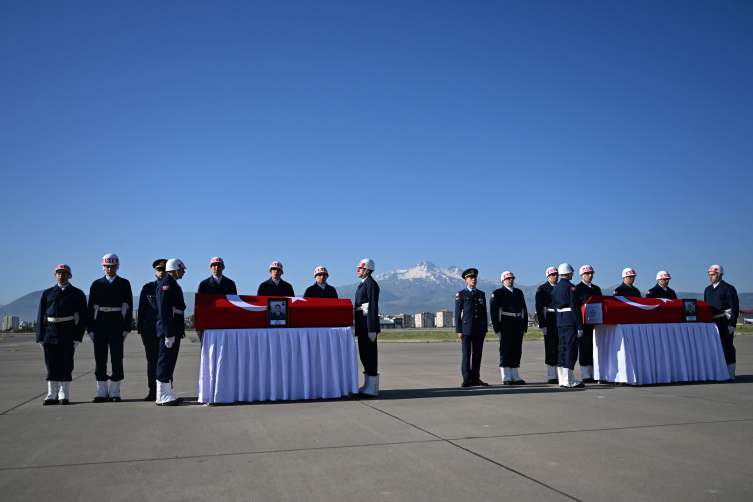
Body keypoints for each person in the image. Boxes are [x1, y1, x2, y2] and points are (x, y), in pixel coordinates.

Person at [36, 264, 88, 405]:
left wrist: (78, 337)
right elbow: (41, 316)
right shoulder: (47, 293)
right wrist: (39, 337)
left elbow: (83, 317)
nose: (61, 275)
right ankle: (52, 393)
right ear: (55, 275)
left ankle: (63, 393)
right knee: (51, 364)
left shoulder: (77, 293)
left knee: (66, 363)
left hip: (67, 332)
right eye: (58, 273)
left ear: (69, 275)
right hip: (50, 333)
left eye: (64, 273)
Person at [87, 254, 133, 403]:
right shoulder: (96, 284)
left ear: (117, 267)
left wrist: (127, 328)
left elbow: (129, 306)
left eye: (112, 266)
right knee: (100, 358)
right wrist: (91, 329)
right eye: (107, 266)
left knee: (117, 358)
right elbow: (90, 308)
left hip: (116, 324)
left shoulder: (124, 283)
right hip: (99, 324)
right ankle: (101, 391)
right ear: (103, 267)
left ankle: (114, 391)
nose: (109, 269)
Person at [155, 258, 187, 405]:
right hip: (169, 330)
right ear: (174, 269)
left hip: (174, 329)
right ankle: (162, 396)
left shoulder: (170, 283)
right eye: (181, 269)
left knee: (170, 361)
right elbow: (165, 311)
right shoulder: (166, 284)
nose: (183, 271)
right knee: (165, 361)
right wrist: (168, 333)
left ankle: (168, 392)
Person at [136, 259, 167, 401]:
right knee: (152, 362)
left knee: (165, 361)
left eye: (164, 269)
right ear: (155, 272)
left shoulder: (171, 286)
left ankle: (166, 389)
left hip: (166, 330)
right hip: (150, 330)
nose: (161, 272)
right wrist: (140, 330)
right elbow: (141, 310)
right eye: (159, 269)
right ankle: (153, 391)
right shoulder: (148, 287)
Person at [490, 271, 528, 385]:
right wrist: (497, 329)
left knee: (517, 349)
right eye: (508, 279)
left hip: (517, 323)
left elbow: (524, 310)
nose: (510, 280)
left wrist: (524, 327)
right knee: (505, 350)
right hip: (505, 323)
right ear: (503, 280)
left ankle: (515, 375)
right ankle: (506, 376)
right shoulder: (498, 293)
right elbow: (494, 312)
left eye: (512, 278)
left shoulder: (518, 292)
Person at [551, 263, 585, 388]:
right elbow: (575, 307)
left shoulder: (555, 288)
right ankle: (569, 380)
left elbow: (554, 306)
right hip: (570, 321)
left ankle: (562, 379)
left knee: (562, 349)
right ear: (568, 272)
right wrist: (580, 326)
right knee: (571, 349)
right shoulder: (571, 287)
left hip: (560, 321)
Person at [454, 268, 488, 387]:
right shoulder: (461, 294)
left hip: (479, 329)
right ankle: (466, 379)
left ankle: (475, 378)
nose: (473, 280)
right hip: (466, 329)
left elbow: (484, 313)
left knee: (477, 355)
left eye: (475, 278)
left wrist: (485, 329)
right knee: (466, 354)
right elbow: (458, 313)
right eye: (471, 278)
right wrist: (458, 330)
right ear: (466, 281)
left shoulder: (481, 294)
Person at [704, 265, 739, 381]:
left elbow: (734, 307)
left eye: (713, 275)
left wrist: (732, 324)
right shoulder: (707, 289)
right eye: (709, 275)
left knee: (727, 346)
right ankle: (717, 373)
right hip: (711, 323)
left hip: (724, 321)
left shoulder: (728, 288)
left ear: (720, 275)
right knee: (713, 347)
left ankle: (730, 374)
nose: (710, 277)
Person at [196, 257, 238, 344]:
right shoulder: (204, 284)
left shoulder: (230, 284)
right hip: (209, 323)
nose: (216, 267)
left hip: (226, 323)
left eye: (219, 265)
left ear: (223, 267)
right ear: (210, 267)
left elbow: (235, 305)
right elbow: (199, 306)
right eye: (214, 265)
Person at [354, 258, 380, 396]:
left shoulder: (370, 284)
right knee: (364, 355)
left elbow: (373, 307)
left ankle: (373, 388)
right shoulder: (363, 284)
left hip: (367, 327)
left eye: (360, 268)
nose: (357, 270)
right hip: (362, 326)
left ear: (367, 270)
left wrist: (372, 328)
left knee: (370, 356)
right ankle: (367, 385)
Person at [575, 265, 602, 383]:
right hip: (584, 324)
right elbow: (576, 308)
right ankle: (585, 373)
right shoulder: (577, 289)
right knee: (585, 348)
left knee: (595, 348)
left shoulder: (597, 289)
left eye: (591, 273)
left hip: (596, 323)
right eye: (587, 273)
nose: (590, 275)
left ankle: (594, 372)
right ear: (582, 275)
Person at [535, 267, 560, 384]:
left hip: (561, 320)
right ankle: (551, 374)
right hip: (549, 321)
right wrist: (542, 324)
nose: (555, 276)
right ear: (548, 276)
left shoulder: (561, 287)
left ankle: (560, 373)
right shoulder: (543, 289)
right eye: (553, 275)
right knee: (550, 348)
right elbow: (539, 308)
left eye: (557, 274)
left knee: (560, 348)